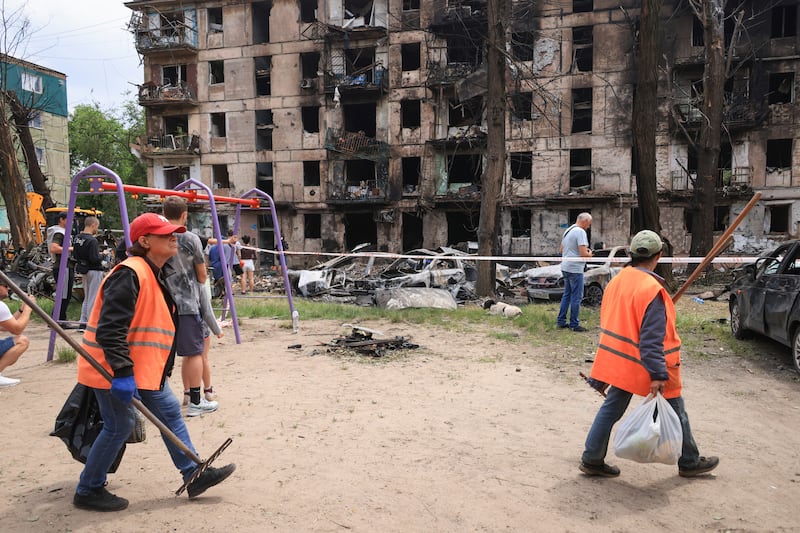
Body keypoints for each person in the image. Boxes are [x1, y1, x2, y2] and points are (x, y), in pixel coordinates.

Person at [73, 212, 235, 512]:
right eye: (165, 234)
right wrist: (121, 372)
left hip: (142, 371)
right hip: (112, 369)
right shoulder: (130, 272)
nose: (173, 237)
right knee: (119, 425)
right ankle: (88, 488)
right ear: (144, 241)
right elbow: (110, 329)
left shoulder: (152, 272)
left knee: (171, 413)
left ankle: (193, 473)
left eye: (173, 233)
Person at [579, 230, 719, 479]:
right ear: (659, 256)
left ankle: (592, 458)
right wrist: (657, 374)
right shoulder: (651, 290)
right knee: (677, 410)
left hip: (620, 361)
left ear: (631, 254)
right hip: (648, 363)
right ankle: (689, 461)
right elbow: (653, 339)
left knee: (610, 411)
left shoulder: (617, 281)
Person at [162, 196, 219, 417]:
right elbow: (202, 274)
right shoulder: (190, 239)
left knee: (162, 354)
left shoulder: (156, 236)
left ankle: (159, 399)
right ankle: (196, 400)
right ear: (184, 215)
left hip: (162, 303)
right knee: (194, 353)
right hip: (186, 303)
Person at [556, 212, 593, 332]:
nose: (588, 227)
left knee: (567, 295)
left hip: (565, 267)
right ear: (584, 221)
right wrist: (590, 254)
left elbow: (561, 250)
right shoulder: (580, 232)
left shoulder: (568, 230)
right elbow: (583, 254)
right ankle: (574, 324)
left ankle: (561, 321)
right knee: (576, 297)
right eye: (589, 224)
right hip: (575, 269)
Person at [72, 216, 107, 326]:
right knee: (93, 297)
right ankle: (90, 322)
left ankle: (83, 321)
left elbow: (75, 254)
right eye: (97, 226)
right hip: (94, 270)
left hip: (83, 269)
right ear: (93, 225)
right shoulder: (92, 240)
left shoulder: (78, 238)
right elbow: (94, 259)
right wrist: (103, 255)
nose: (97, 228)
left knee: (87, 297)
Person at [0, 280, 32, 387]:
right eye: (5, 286)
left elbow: (5, 326)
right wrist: (28, 309)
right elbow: (17, 329)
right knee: (22, 341)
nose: (8, 289)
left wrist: (21, 310)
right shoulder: (0, 306)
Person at [47, 213, 74, 323]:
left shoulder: (62, 232)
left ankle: (58, 318)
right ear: (61, 220)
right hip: (63, 266)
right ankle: (59, 319)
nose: (72, 222)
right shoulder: (59, 232)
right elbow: (54, 248)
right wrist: (71, 248)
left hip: (65, 266)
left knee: (64, 294)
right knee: (64, 294)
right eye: (69, 219)